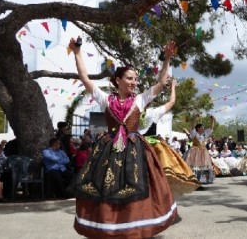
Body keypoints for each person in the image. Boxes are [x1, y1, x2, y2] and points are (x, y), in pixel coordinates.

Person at [69, 38, 178, 239]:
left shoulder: (140, 99)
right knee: (107, 187)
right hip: (110, 149)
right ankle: (110, 226)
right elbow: (85, 78)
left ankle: (136, 227)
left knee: (137, 185)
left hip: (135, 148)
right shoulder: (105, 99)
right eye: (129, 78)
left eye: (135, 79)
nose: (134, 82)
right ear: (118, 80)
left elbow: (161, 83)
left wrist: (167, 60)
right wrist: (77, 53)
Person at [139, 79, 200, 198]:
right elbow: (171, 102)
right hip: (148, 146)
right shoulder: (150, 112)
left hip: (137, 145)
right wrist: (173, 87)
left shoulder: (135, 110)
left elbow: (171, 102)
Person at [185, 114, 216, 184]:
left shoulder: (205, 134)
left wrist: (212, 120)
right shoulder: (194, 133)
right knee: (194, 166)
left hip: (203, 152)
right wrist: (195, 118)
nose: (203, 128)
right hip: (195, 152)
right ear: (198, 128)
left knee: (203, 166)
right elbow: (192, 125)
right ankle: (193, 180)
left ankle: (202, 180)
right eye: (202, 127)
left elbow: (211, 128)